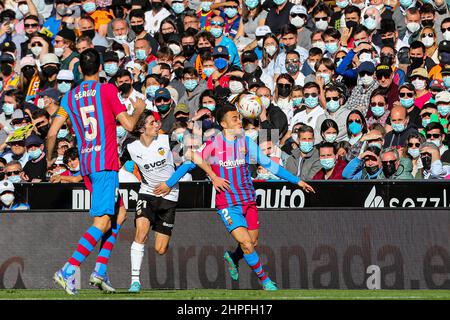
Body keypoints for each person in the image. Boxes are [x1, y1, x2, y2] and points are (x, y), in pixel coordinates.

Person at [154, 103, 315, 290]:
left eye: (239, 117)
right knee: (246, 243)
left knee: (252, 242)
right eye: (234, 118)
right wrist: (169, 183)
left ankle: (233, 257)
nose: (239, 121)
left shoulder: (245, 142)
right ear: (223, 124)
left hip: (249, 201)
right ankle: (266, 282)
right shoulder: (214, 145)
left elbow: (270, 165)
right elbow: (189, 164)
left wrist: (297, 181)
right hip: (228, 204)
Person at [48, 48, 146, 295]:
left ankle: (100, 271)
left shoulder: (69, 98)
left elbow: (51, 133)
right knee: (102, 221)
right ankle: (68, 270)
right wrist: (139, 108)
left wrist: (49, 159)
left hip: (88, 164)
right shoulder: (107, 90)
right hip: (106, 163)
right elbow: (130, 125)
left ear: (79, 69)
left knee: (120, 214)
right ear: (101, 68)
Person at [120, 111, 179, 293]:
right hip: (147, 193)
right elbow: (119, 164)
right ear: (141, 128)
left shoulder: (167, 141)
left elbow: (190, 162)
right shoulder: (131, 146)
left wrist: (169, 183)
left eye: (157, 122)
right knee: (141, 233)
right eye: (152, 122)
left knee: (160, 249)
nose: (157, 125)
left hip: (169, 196)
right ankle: (135, 281)